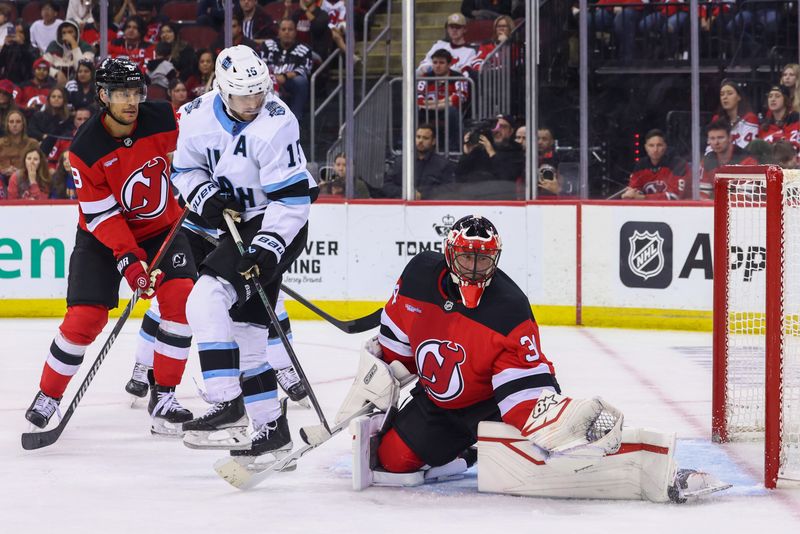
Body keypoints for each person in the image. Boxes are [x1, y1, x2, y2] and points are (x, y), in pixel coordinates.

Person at [337, 215, 729, 502]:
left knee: (548, 458)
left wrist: (552, 423)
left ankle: (647, 463)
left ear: (497, 258)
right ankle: (464, 451)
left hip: (490, 406)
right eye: (466, 257)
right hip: (435, 405)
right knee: (391, 462)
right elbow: (395, 346)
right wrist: (375, 385)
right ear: (448, 254)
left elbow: (522, 396)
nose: (475, 268)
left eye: (484, 259)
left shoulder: (509, 309)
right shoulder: (419, 275)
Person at [23, 58, 197, 438]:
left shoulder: (164, 118)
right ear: (103, 96)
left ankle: (164, 398)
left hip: (161, 228)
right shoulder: (85, 148)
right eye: (120, 94)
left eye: (135, 92)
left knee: (181, 300)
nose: (130, 101)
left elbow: (205, 135)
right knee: (85, 319)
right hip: (102, 238)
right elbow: (103, 218)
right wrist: (130, 262)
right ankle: (49, 394)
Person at [171, 45, 315, 456]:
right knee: (249, 335)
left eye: (259, 93)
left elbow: (291, 200)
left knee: (206, 298)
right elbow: (184, 169)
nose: (254, 103)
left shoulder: (277, 121)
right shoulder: (196, 117)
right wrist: (204, 194)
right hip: (234, 223)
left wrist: (268, 249)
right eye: (243, 96)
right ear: (221, 90)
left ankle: (225, 400)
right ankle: (271, 430)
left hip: (277, 222)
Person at [416, 48, 470, 153]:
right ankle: (410, 146)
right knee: (413, 111)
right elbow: (419, 101)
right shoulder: (425, 77)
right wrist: (446, 100)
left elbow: (458, 99)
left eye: (441, 62)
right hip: (428, 112)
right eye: (435, 62)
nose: (437, 65)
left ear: (449, 64)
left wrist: (431, 104)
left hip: (449, 113)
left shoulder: (458, 77)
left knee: (452, 111)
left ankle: (454, 150)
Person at [382, 124, 455, 199]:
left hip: (431, 207)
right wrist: (406, 193)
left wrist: (423, 195)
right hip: (403, 206)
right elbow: (387, 185)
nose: (420, 141)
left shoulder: (443, 164)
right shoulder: (401, 161)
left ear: (433, 141)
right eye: (418, 137)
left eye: (425, 138)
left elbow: (448, 189)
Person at [260, 19, 313, 122]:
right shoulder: (268, 45)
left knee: (301, 81)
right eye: (283, 29)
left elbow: (304, 69)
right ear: (279, 32)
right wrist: (273, 78)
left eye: (290, 29)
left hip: (289, 82)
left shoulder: (304, 49)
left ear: (295, 32)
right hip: (268, 81)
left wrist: (284, 77)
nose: (287, 32)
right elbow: (261, 64)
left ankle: (295, 119)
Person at [455, 114, 523, 191]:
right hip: (473, 196)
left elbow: (506, 177)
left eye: (502, 126)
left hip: (500, 197)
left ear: (511, 131)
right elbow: (459, 176)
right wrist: (467, 153)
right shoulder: (480, 149)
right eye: (494, 127)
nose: (497, 130)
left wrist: (491, 153)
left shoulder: (517, 152)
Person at [621, 129, 688, 201]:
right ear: (646, 147)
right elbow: (635, 190)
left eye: (659, 145)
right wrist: (629, 195)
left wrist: (643, 198)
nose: (655, 149)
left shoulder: (678, 164)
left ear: (665, 146)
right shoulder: (641, 166)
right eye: (651, 145)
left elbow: (674, 197)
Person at [700, 119, 758, 199]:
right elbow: (702, 194)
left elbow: (745, 197)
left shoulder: (747, 161)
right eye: (712, 139)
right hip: (718, 207)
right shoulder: (707, 161)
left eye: (720, 138)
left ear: (730, 138)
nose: (716, 142)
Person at [709, 79, 759, 151]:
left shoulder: (750, 118)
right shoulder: (717, 119)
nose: (725, 97)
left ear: (739, 97)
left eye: (729, 93)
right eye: (722, 94)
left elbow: (746, 149)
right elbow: (710, 147)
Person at [42, 19, 95, 85]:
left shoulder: (85, 47)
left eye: (70, 32)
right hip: (55, 85)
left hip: (78, 85)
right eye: (64, 33)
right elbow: (43, 66)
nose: (67, 35)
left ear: (77, 33)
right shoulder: (53, 46)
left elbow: (82, 69)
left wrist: (74, 45)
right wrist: (56, 73)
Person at [40, 105, 93, 170]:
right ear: (74, 121)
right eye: (79, 119)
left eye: (86, 119)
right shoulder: (63, 139)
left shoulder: (98, 139)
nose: (83, 122)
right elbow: (51, 162)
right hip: (65, 176)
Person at [0, 109, 39, 186]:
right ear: (7, 125)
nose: (14, 125)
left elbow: (38, 164)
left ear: (23, 125)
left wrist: (20, 172)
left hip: (25, 178)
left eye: (18, 122)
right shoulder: (0, 143)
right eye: (11, 122)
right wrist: (2, 170)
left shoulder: (32, 143)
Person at [758, 85, 799, 150]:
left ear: (786, 99)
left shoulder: (797, 120)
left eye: (777, 96)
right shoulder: (764, 127)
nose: (773, 99)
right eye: (770, 96)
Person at [535, 126, 563, 197]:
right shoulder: (528, 159)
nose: (540, 142)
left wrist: (558, 190)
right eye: (537, 139)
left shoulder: (559, 160)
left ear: (552, 142)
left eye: (544, 139)